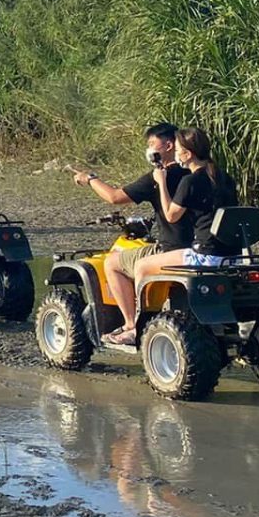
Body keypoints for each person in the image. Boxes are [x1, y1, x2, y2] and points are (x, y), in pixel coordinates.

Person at [70, 123, 184, 348]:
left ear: (168, 145)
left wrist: (91, 178)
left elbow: (114, 197)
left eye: (152, 143)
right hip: (199, 245)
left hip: (172, 248)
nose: (149, 148)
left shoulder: (158, 177)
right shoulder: (198, 173)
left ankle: (131, 326)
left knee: (112, 262)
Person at [127, 129, 241, 344]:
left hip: (205, 255)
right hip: (231, 254)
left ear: (187, 154)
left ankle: (141, 327)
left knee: (141, 266)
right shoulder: (224, 177)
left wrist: (161, 182)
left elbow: (170, 215)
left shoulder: (190, 181)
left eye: (179, 150)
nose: (177, 154)